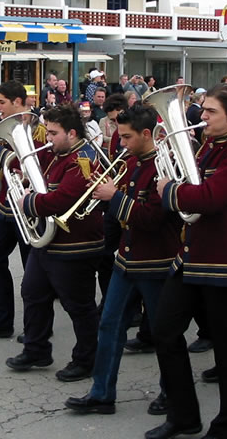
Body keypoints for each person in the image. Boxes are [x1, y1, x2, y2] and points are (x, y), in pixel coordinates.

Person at [149, 84, 227, 439]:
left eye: (211, 111)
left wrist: (169, 190)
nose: (202, 116)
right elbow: (194, 191)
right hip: (191, 254)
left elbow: (211, 198)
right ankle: (184, 416)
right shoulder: (210, 146)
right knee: (164, 331)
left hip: (225, 258)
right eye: (202, 109)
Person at [65, 105, 182, 414]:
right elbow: (120, 212)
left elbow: (152, 218)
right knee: (109, 326)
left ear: (147, 134)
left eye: (128, 137)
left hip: (156, 263)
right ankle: (102, 394)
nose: (122, 144)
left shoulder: (164, 166)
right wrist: (102, 195)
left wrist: (113, 196)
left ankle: (172, 393)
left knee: (164, 334)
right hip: (126, 260)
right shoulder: (130, 162)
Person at [7, 103, 104, 381]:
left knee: (78, 306)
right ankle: (36, 349)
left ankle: (86, 360)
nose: (47, 139)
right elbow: (46, 187)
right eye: (47, 132)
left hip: (75, 244)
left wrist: (29, 202)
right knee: (32, 293)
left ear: (71, 133)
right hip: (48, 241)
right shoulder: (58, 155)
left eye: (53, 133)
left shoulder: (83, 159)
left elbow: (63, 199)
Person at [0, 80, 46, 340]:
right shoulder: (2, 126)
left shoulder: (38, 129)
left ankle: (37, 326)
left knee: (32, 271)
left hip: (27, 207)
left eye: (2, 102)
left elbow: (32, 166)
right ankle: (2, 320)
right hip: (5, 204)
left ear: (18, 102)